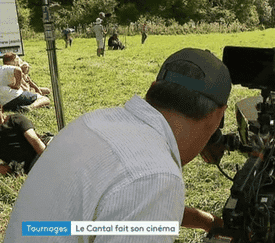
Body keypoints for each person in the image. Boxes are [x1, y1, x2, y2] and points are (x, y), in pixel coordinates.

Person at [4, 48, 232, 242]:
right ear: (217, 115)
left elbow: (114, 210)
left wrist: (205, 221)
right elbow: (140, 187)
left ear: (154, 88)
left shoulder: (95, 121)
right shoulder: (155, 175)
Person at [0, 105, 47, 175]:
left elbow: (34, 139)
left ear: (1, 109)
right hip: (27, 166)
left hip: (42, 151)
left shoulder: (16, 119)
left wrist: (47, 160)